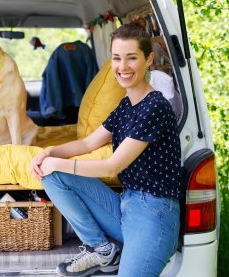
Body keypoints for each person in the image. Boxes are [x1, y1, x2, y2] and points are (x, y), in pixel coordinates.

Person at [30, 23, 182, 277]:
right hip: (126, 205)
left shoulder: (154, 107)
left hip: (154, 215)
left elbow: (112, 166)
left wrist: (59, 162)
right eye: (117, 58)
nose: (123, 67)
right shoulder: (126, 104)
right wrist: (50, 152)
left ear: (149, 60)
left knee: (57, 169)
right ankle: (102, 250)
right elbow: (89, 143)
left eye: (132, 58)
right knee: (52, 175)